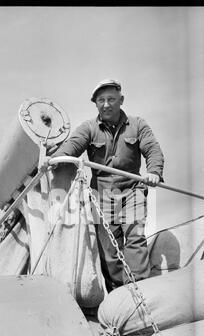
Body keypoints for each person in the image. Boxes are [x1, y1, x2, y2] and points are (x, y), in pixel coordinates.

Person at [48, 79, 164, 292]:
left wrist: (154, 172)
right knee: (109, 251)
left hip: (133, 190)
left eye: (111, 99)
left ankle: (141, 293)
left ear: (121, 100)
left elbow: (153, 149)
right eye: (101, 100)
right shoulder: (89, 128)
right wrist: (52, 160)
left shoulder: (138, 124)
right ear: (95, 104)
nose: (106, 104)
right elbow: (71, 147)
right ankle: (120, 295)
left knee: (135, 237)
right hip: (101, 194)